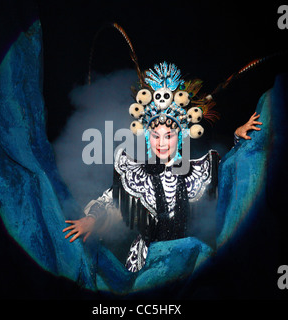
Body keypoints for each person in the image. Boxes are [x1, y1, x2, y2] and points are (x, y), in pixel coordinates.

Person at [62, 62, 262, 272]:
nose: (162, 142)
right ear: (148, 137)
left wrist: (239, 138)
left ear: (182, 136)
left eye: (169, 135)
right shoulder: (135, 173)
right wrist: (91, 220)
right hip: (145, 262)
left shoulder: (201, 170)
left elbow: (231, 173)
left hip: (187, 257)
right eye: (156, 135)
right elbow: (110, 202)